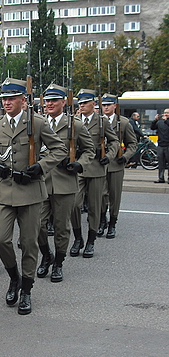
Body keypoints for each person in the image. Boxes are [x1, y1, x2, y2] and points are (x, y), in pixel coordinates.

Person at [0, 77, 67, 315]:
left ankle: (26, 289)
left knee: (29, 244)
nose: (7, 102)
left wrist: (41, 167)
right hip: (4, 192)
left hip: (32, 193)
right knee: (1, 240)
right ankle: (14, 276)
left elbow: (60, 149)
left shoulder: (38, 123)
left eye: (12, 98)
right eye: (4, 98)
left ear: (23, 100)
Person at [36, 84, 94, 282]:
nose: (49, 104)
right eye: (47, 100)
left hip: (64, 182)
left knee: (61, 227)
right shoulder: (38, 122)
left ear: (64, 102)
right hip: (41, 181)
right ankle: (46, 255)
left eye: (54, 100)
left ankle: (58, 262)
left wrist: (80, 164)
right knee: (37, 225)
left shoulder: (74, 125)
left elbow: (89, 150)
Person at [69, 89, 119, 258]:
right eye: (80, 103)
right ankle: (78, 238)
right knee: (74, 204)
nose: (81, 106)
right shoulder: (74, 121)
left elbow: (114, 141)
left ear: (93, 104)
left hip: (97, 168)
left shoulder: (102, 122)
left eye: (85, 103)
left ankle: (90, 241)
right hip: (79, 169)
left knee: (94, 207)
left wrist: (109, 156)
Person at [98, 94, 137, 238]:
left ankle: (112, 224)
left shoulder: (123, 122)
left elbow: (133, 144)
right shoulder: (98, 121)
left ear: (115, 106)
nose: (106, 107)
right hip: (100, 164)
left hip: (116, 164)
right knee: (101, 195)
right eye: (104, 105)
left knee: (115, 196)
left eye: (109, 105)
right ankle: (102, 221)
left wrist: (125, 157)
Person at [151, 108, 169, 183]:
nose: (166, 114)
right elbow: (152, 127)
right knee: (161, 163)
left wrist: (166, 120)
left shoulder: (166, 122)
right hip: (161, 145)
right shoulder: (160, 122)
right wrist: (155, 120)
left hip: (168, 145)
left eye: (167, 113)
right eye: (165, 113)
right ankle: (161, 178)